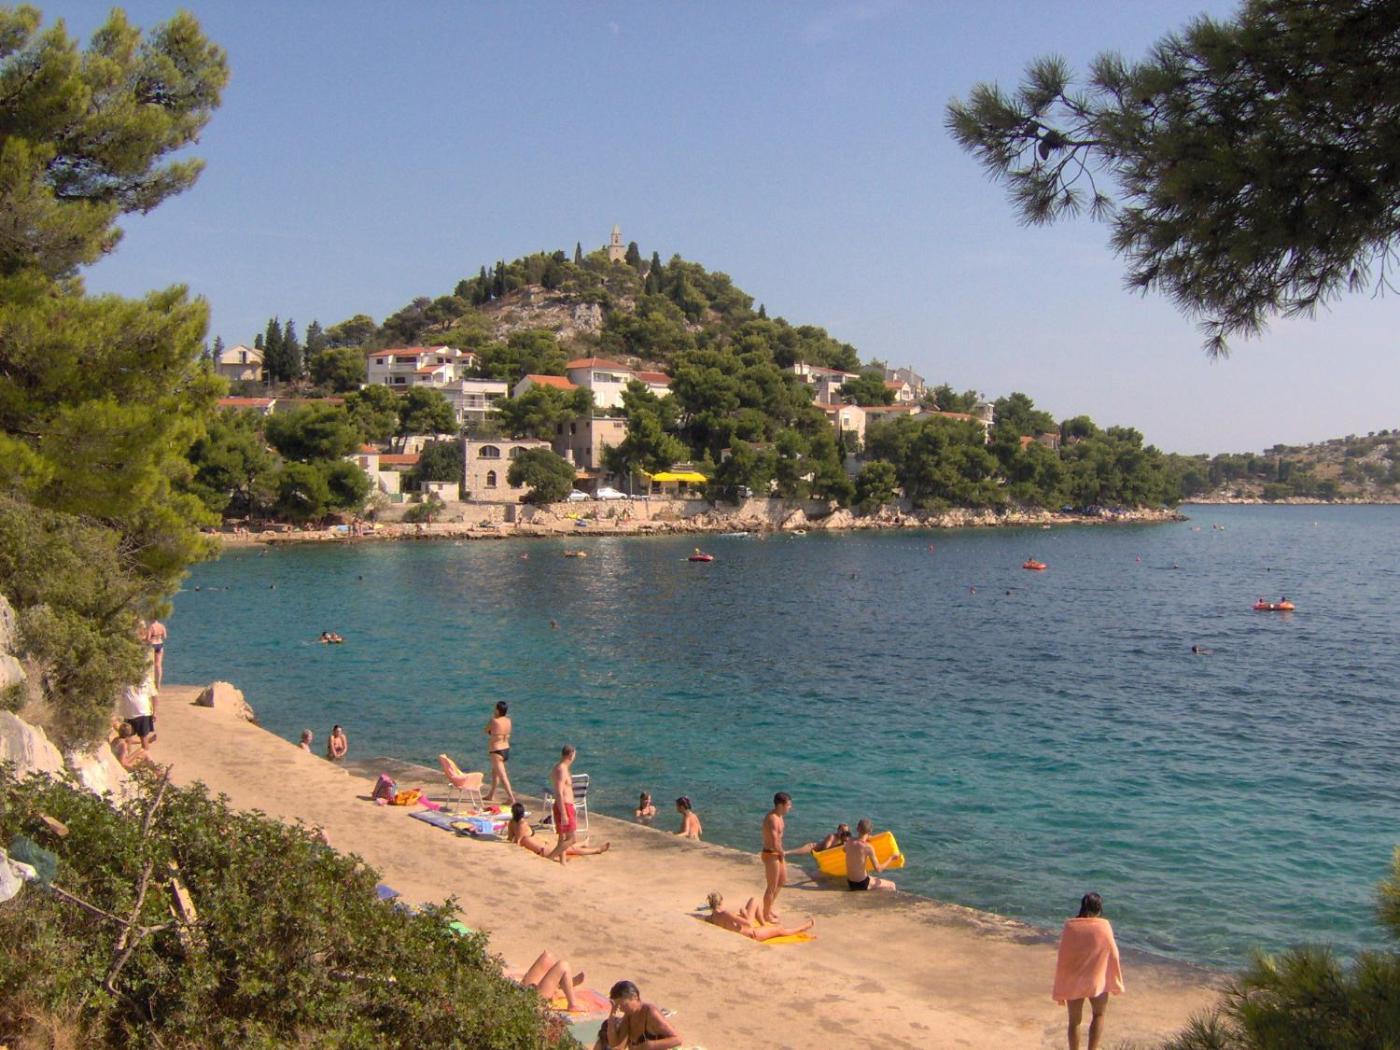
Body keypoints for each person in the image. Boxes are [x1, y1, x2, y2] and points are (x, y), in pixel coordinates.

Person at [1052, 892, 1125, 1050]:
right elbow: (1113, 953)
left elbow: (1064, 954)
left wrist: (1062, 980)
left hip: (1074, 978)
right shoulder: (1104, 926)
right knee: (1099, 1015)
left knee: (1074, 1022)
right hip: (1096, 978)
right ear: (1099, 908)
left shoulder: (1070, 926)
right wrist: (1112, 975)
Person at [761, 792, 815, 923]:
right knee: (772, 886)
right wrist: (782, 852)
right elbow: (774, 841)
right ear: (780, 805)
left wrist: (781, 852)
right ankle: (765, 914)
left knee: (782, 881)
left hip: (777, 853)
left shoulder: (780, 817)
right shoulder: (773, 819)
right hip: (770, 854)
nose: (790, 807)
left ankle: (769, 908)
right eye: (788, 805)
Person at [593, 980, 681, 1050]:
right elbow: (615, 1043)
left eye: (623, 1005)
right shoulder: (628, 1016)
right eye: (618, 1005)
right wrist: (612, 1013)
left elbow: (677, 1039)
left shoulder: (650, 1012)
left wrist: (649, 1045)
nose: (621, 1009)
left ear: (634, 997)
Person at [508, 803, 609, 858]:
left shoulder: (511, 823)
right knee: (570, 849)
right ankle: (597, 850)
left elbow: (510, 838)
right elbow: (518, 841)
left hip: (543, 847)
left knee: (566, 846)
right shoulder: (523, 824)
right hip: (543, 849)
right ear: (522, 813)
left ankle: (583, 844)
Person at [704, 892, 814, 941]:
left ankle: (763, 925)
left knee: (754, 900)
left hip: (747, 932)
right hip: (752, 934)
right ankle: (803, 927)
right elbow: (748, 923)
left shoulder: (712, 917)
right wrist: (743, 913)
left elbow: (702, 917)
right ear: (721, 901)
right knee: (780, 929)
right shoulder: (727, 913)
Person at [519, 950, 586, 1013]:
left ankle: (563, 983)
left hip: (524, 992)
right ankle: (572, 1004)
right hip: (531, 1001)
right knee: (563, 966)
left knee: (548, 956)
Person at [843, 818, 900, 891]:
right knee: (892, 885)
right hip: (862, 884)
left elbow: (844, 850)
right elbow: (878, 869)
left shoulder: (849, 841)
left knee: (869, 876)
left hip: (850, 883)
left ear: (857, 828)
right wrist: (891, 858)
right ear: (870, 831)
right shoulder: (868, 847)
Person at [546, 745, 578, 864]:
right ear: (570, 755)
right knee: (572, 839)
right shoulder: (561, 769)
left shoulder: (560, 768)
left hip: (564, 805)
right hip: (564, 806)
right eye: (574, 755)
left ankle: (562, 861)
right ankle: (549, 857)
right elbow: (559, 792)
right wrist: (564, 813)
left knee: (562, 837)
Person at [483, 701, 515, 803]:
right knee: (495, 773)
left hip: (496, 751)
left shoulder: (494, 721)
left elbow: (486, 730)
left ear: (497, 710)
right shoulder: (508, 720)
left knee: (502, 776)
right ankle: (491, 795)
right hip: (506, 749)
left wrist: (494, 718)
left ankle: (511, 797)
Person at [120, 662, 158, 748]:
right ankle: (128, 755)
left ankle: (146, 754)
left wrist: (154, 712)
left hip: (143, 713)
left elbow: (154, 696)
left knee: (143, 737)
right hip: (129, 714)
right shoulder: (125, 678)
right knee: (127, 738)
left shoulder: (147, 679)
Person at [146, 618, 167, 688]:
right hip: (160, 645)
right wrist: (159, 636)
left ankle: (151, 682)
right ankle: (158, 684)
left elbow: (148, 639)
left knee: (150, 664)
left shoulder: (151, 626)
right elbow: (165, 636)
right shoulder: (162, 626)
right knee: (158, 665)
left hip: (153, 645)